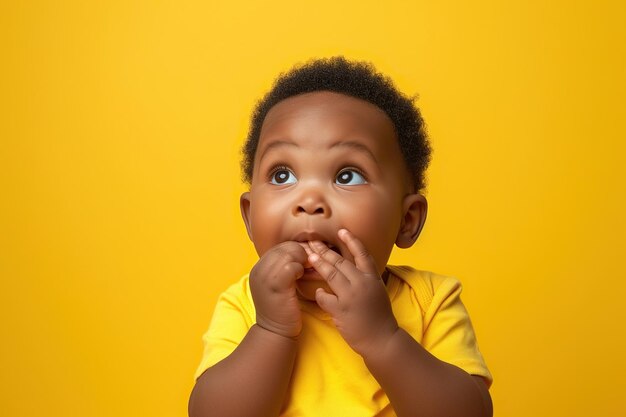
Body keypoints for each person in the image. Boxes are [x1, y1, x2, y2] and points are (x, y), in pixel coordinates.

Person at [188, 57, 493, 417]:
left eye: (347, 176)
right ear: (250, 216)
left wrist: (383, 338)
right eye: (283, 175)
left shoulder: (429, 301)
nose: (310, 202)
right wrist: (271, 330)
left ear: (406, 220)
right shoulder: (245, 304)